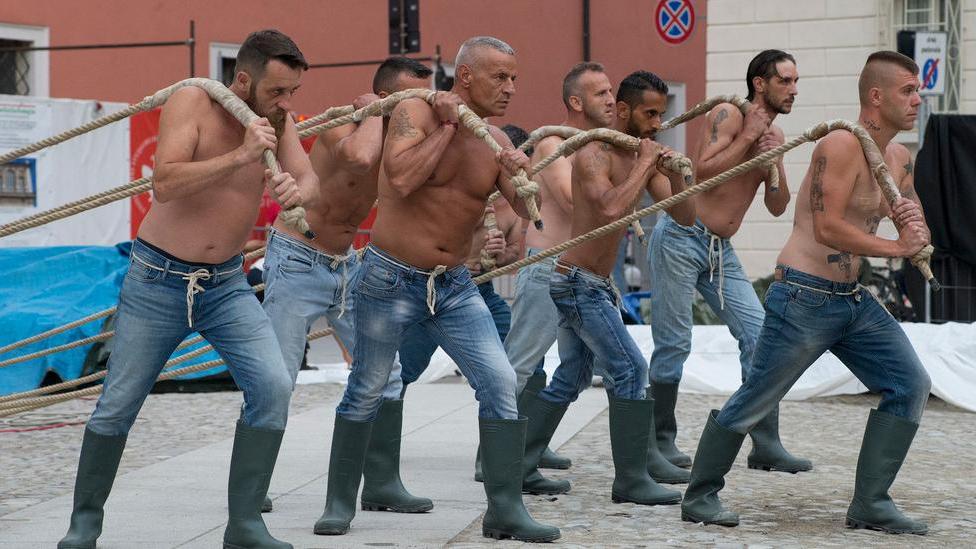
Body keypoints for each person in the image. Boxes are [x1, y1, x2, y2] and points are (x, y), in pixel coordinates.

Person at [58, 29, 315, 549]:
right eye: (277, 92)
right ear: (243, 79)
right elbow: (166, 182)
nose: (286, 104)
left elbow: (309, 179)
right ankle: (85, 522)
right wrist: (242, 157)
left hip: (226, 285)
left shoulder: (278, 118)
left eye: (293, 93)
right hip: (158, 280)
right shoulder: (191, 100)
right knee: (119, 402)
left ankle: (244, 524)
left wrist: (296, 188)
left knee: (273, 385)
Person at [314, 36, 559, 542]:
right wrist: (449, 125)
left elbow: (525, 206)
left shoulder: (493, 140)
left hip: (454, 286)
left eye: (515, 78)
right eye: (501, 77)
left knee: (499, 383)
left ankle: (504, 509)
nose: (511, 88)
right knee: (368, 387)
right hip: (389, 276)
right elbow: (400, 180)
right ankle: (339, 502)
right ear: (465, 76)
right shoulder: (415, 112)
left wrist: (519, 169)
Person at [681, 50, 932, 536]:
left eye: (918, 89)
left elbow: (907, 209)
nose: (918, 99)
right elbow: (828, 226)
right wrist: (897, 247)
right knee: (757, 396)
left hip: (851, 301)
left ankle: (871, 503)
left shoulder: (899, 158)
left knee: (911, 384)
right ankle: (700, 494)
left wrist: (915, 223)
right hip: (803, 296)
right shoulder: (839, 144)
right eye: (908, 90)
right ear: (876, 97)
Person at [261, 57, 434, 516]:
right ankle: (253, 484)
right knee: (277, 379)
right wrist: (376, 114)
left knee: (390, 374)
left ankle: (382, 484)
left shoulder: (403, 138)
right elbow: (358, 157)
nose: (422, 107)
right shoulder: (344, 124)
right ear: (384, 98)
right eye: (412, 98)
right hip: (297, 258)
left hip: (347, 267)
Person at [520, 70, 697, 506]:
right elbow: (609, 210)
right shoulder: (594, 152)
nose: (657, 123)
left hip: (596, 283)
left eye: (661, 114)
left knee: (574, 374)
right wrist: (645, 164)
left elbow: (686, 217)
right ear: (623, 111)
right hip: (575, 282)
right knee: (631, 370)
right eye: (649, 114)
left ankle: (519, 465)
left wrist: (676, 175)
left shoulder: (642, 155)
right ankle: (631, 480)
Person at [647, 49, 810, 474]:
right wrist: (748, 138)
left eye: (795, 82)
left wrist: (775, 159)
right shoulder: (729, 114)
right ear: (760, 83)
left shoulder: (771, 133)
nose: (793, 90)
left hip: (722, 250)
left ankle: (765, 442)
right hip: (682, 237)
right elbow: (703, 171)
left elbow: (778, 206)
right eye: (785, 81)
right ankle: (659, 443)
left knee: (761, 337)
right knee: (674, 343)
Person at [502, 62, 617, 484]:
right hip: (548, 268)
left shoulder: (596, 145)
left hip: (579, 273)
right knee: (519, 366)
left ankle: (529, 450)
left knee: (577, 369)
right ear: (576, 102)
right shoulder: (553, 143)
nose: (610, 99)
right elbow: (574, 203)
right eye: (601, 93)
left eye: (610, 91)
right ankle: (493, 458)